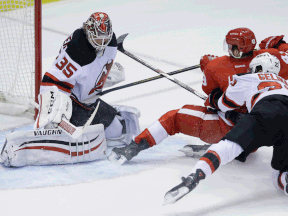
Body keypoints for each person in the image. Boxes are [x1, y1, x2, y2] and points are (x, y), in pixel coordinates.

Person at [108, 27, 288, 165]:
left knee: (175, 118)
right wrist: (279, 45)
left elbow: (210, 91)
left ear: (236, 48)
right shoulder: (272, 56)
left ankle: (135, 147)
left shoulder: (217, 66)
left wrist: (207, 67)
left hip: (231, 129)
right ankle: (241, 149)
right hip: (265, 129)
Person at [0, 12, 140, 167]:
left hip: (87, 100)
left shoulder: (110, 41)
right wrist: (53, 114)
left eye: (105, 37)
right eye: (98, 37)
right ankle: (51, 133)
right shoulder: (77, 49)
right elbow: (51, 81)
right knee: (62, 125)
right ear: (88, 30)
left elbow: (95, 65)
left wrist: (103, 77)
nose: (102, 41)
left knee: (118, 132)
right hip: (69, 98)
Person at [163, 53, 288, 204]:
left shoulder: (245, 78)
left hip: (266, 113)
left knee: (228, 147)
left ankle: (195, 175)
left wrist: (213, 99)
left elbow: (225, 104)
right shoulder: (285, 83)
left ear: (258, 67)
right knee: (279, 176)